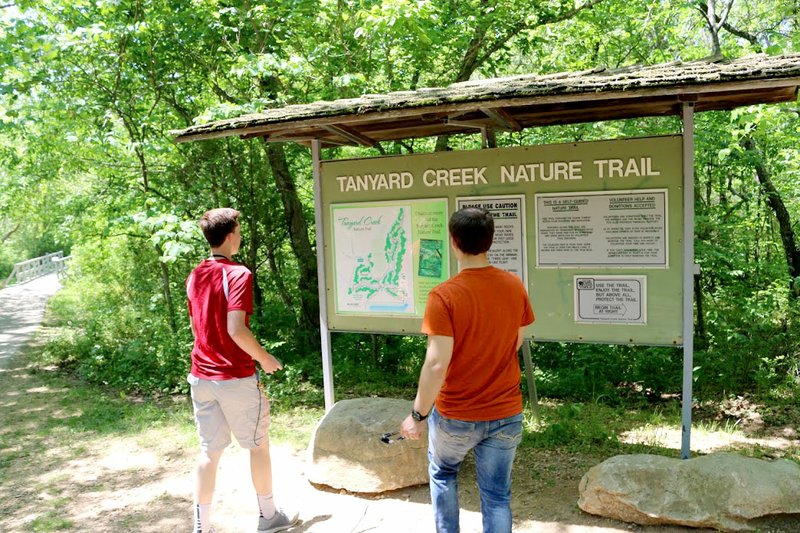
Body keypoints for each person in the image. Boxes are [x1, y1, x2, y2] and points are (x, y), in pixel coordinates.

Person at [400, 207, 535, 533]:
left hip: (456, 413)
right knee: (497, 496)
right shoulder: (514, 286)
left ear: (454, 242)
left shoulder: (444, 296)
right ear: (490, 240)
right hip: (506, 411)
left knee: (444, 474)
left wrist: (418, 415)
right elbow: (516, 339)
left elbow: (436, 363)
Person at [185, 208, 298, 533]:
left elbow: (198, 327)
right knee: (258, 446)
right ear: (231, 234)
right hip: (235, 377)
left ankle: (201, 527)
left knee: (209, 452)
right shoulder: (238, 274)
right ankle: (268, 516)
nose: (240, 234)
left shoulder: (195, 275)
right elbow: (236, 329)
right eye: (239, 228)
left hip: (201, 377)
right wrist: (264, 358)